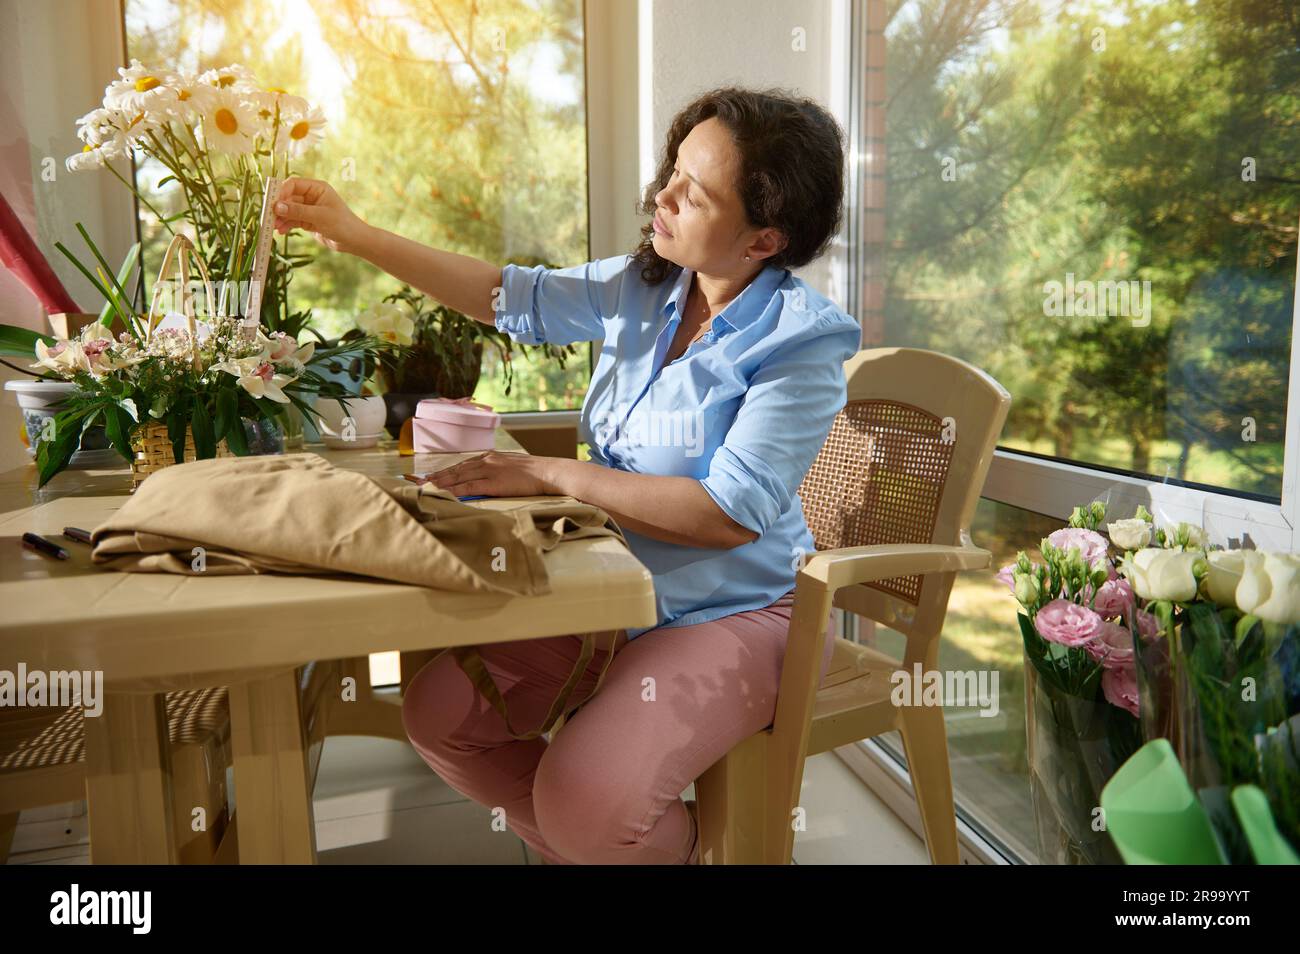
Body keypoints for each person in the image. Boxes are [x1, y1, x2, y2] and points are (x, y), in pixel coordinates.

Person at [272, 86, 862, 864]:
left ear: (762, 240)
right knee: (442, 717)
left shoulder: (800, 344)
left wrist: (553, 476)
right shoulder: (646, 285)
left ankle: (649, 846)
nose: (663, 196)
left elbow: (728, 514)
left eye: (695, 192)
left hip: (745, 613)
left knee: (583, 800)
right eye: (672, 170)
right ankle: (598, 849)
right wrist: (355, 234)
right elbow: (502, 296)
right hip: (616, 590)